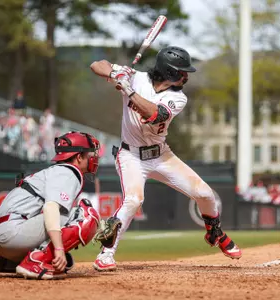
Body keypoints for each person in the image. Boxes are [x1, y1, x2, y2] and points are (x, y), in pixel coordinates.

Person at [89, 46, 242, 272]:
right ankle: (107, 254)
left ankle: (214, 231)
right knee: (133, 200)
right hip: (130, 155)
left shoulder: (178, 97)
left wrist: (129, 91)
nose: (186, 76)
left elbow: (154, 114)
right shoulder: (136, 77)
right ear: (169, 72)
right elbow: (96, 65)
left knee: (205, 194)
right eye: (182, 72)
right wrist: (115, 74)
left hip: (161, 155)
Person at [0, 131, 122, 280]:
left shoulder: (55, 171)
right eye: (89, 154)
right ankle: (35, 261)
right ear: (79, 157)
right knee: (88, 215)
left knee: (65, 261)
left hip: (6, 233)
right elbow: (50, 208)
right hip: (14, 232)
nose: (94, 157)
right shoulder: (68, 172)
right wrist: (58, 249)